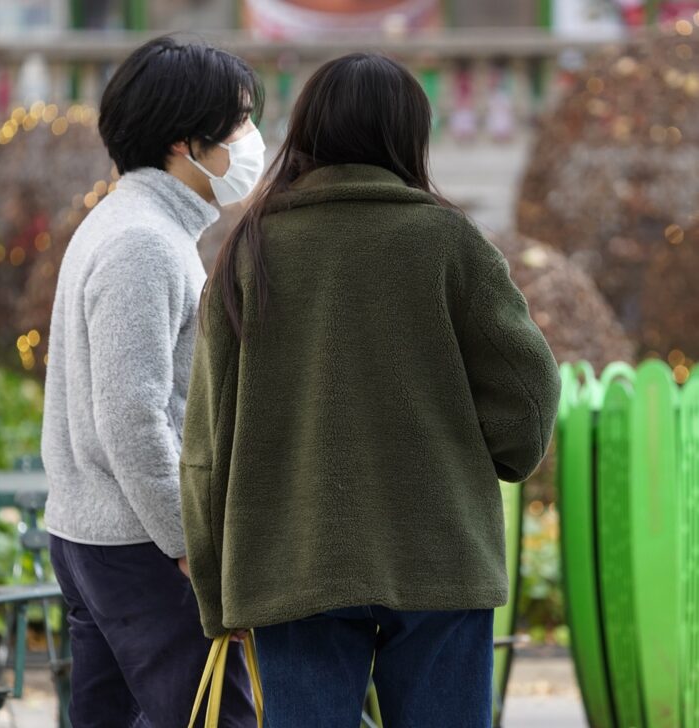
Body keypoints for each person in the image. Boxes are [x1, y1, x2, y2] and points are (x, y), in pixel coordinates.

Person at [180, 52, 561, 727]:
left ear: (308, 132)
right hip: (440, 554)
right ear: (408, 135)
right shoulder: (449, 242)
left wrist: (218, 594)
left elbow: (208, 443)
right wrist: (498, 455)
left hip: (292, 562)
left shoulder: (250, 249)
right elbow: (529, 391)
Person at [41, 34, 265, 728]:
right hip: (136, 547)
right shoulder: (144, 241)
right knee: (215, 718)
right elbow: (132, 415)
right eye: (239, 122)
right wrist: (188, 540)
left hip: (98, 536)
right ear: (184, 141)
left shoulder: (127, 223)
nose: (252, 140)